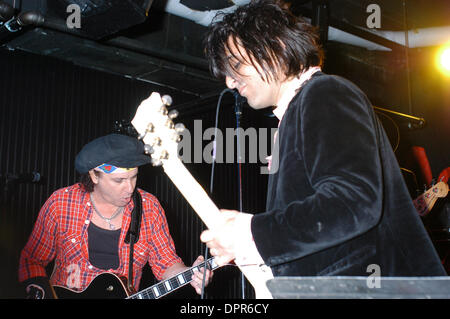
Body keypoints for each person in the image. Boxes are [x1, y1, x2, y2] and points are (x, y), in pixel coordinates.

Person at [200, 0, 447, 281]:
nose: (230, 82)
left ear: (276, 48)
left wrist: (254, 232)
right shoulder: (296, 116)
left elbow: (353, 203)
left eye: (236, 65)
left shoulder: (326, 93)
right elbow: (325, 236)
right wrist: (255, 252)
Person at [19, 133, 213, 299]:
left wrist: (190, 274)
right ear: (94, 176)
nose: (129, 188)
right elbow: (32, 259)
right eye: (119, 180)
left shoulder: (150, 208)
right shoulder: (61, 203)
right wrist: (39, 290)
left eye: (134, 177)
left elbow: (167, 264)